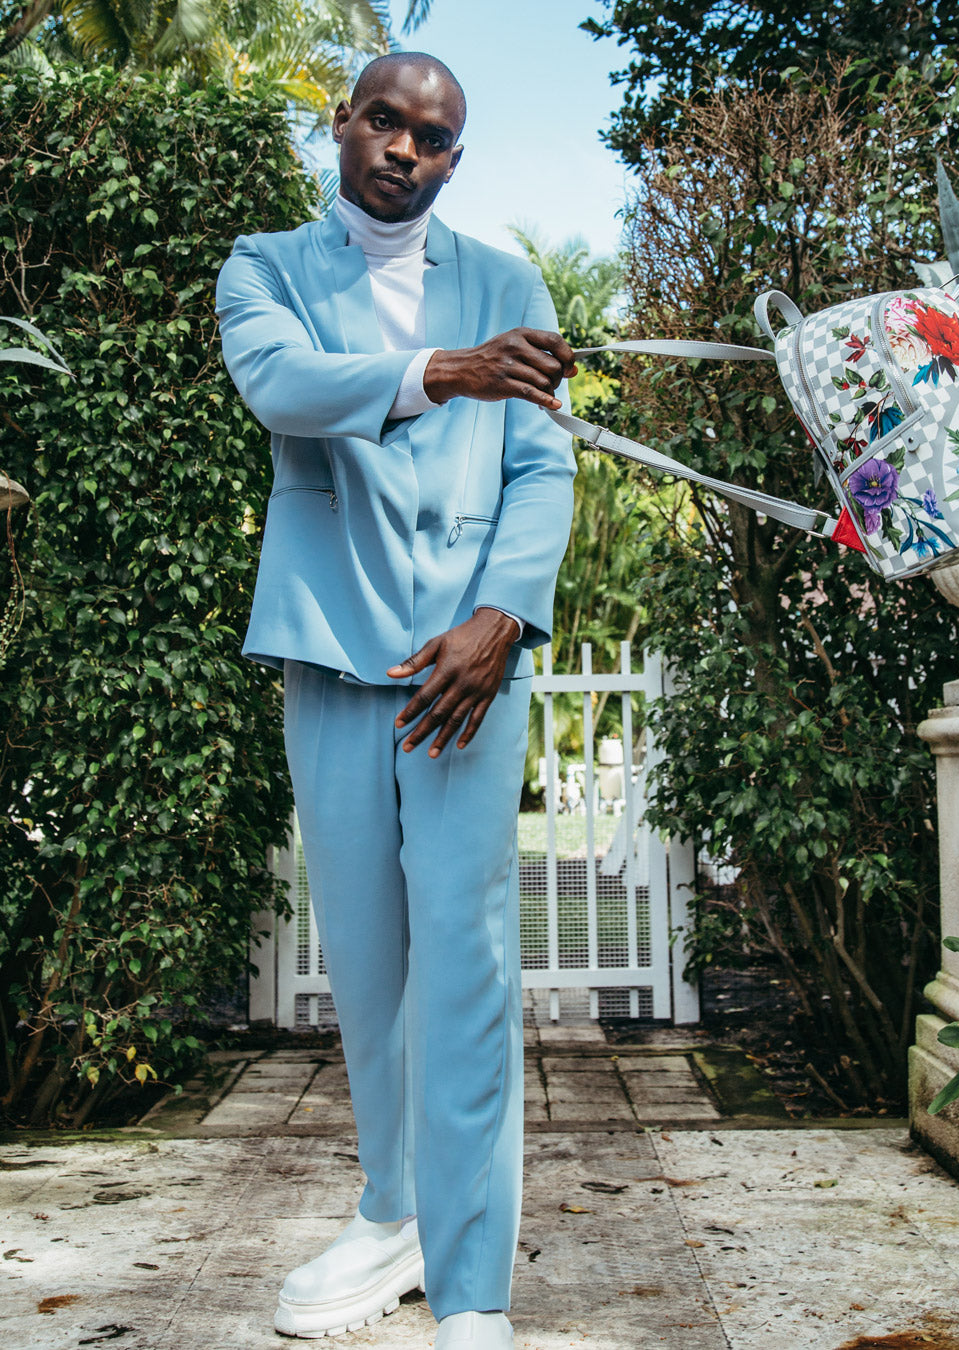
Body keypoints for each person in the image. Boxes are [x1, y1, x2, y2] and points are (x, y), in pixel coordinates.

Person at [215, 50, 577, 1350]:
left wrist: (502, 616)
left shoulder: (509, 282)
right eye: (385, 120)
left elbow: (543, 466)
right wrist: (444, 372)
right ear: (345, 122)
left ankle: (472, 1288)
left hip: (466, 670)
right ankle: (393, 1209)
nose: (403, 148)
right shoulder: (265, 268)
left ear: (453, 159)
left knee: (466, 968)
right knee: (367, 966)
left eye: (431, 135)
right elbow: (279, 385)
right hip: (330, 651)